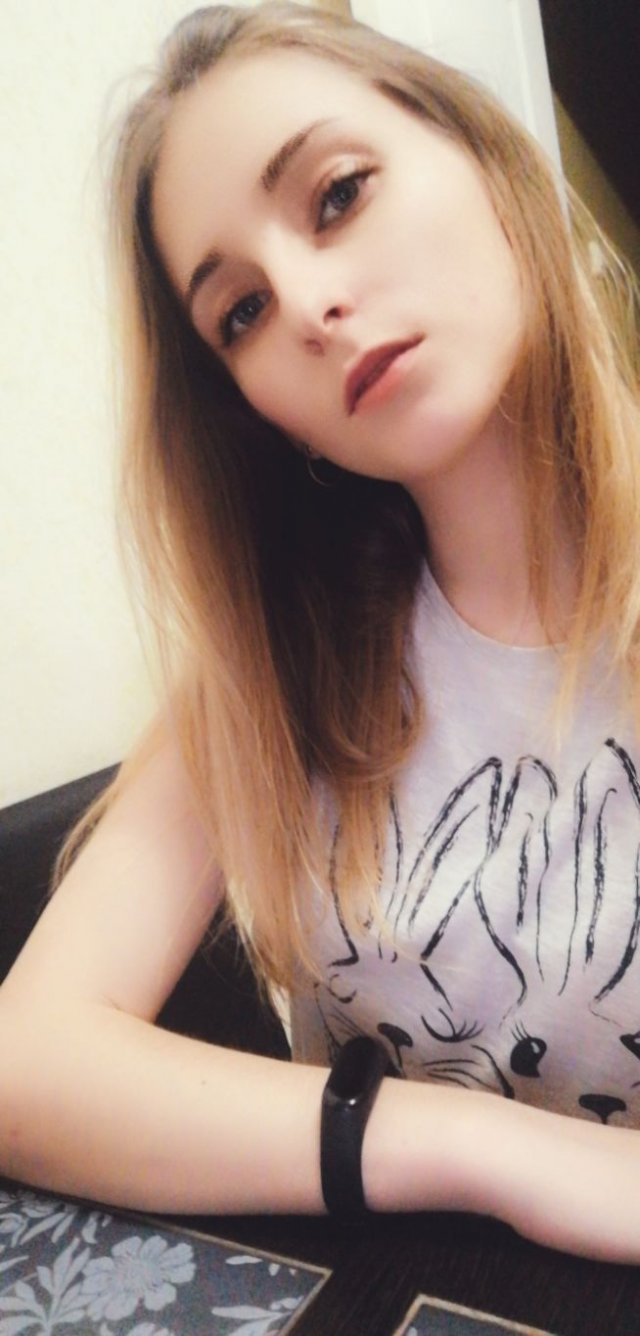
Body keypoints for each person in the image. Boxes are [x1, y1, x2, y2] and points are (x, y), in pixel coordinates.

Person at [1, 0, 640, 1262]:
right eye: (237, 311)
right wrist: (483, 1150)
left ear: (486, 157)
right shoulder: (281, 666)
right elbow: (25, 1061)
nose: (303, 303)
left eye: (338, 195)